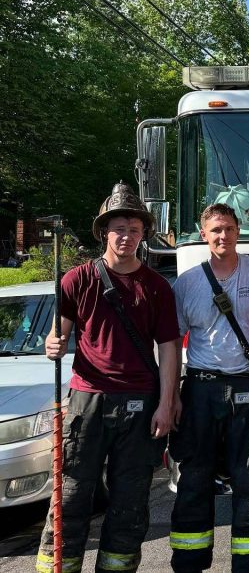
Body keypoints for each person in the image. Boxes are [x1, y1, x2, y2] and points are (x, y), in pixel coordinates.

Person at [36, 182, 180, 573]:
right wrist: (54, 342)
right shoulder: (75, 280)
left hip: (139, 402)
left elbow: (169, 348)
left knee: (130, 500)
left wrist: (167, 404)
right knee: (71, 494)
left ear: (143, 233)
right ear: (103, 232)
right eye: (119, 228)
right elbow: (59, 333)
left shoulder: (157, 288)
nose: (127, 236)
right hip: (88, 399)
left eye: (135, 229)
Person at [169, 203, 249, 573]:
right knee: (194, 479)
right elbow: (171, 342)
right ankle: (189, 562)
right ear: (203, 234)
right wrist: (172, 395)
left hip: (248, 390)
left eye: (229, 229)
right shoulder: (187, 283)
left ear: (240, 231)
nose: (223, 236)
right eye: (216, 230)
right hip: (201, 389)